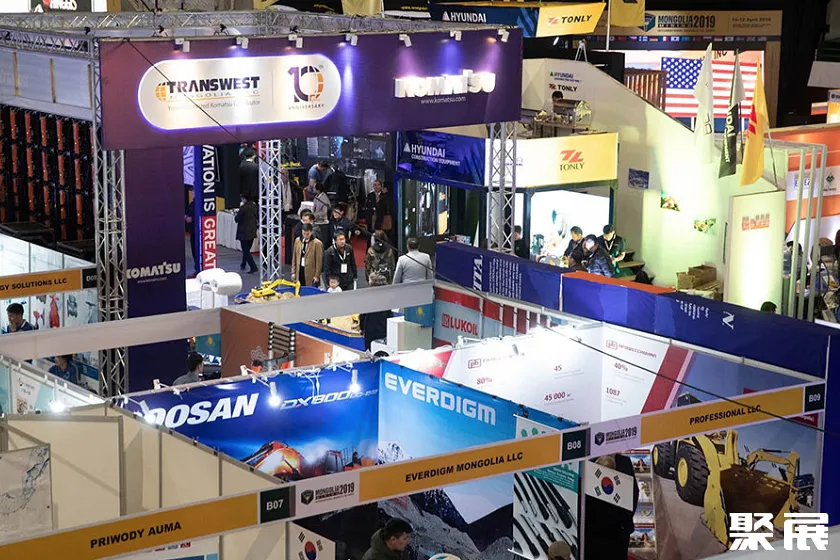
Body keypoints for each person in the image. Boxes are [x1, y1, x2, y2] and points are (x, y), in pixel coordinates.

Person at [584, 453, 638, 560]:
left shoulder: (587, 463)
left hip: (611, 530)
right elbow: (634, 493)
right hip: (603, 531)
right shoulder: (624, 462)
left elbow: (633, 493)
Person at [359, 274, 393, 351]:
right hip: (383, 330)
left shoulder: (367, 298)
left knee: (370, 350)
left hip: (370, 330)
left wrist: (361, 328)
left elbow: (362, 315)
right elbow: (390, 315)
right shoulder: (387, 298)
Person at [234, 193, 258, 274]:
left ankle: (253, 266)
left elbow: (237, 219)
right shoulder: (254, 206)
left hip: (244, 232)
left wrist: (236, 214)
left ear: (245, 199)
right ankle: (243, 264)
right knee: (247, 249)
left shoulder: (243, 208)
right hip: (252, 230)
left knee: (245, 250)